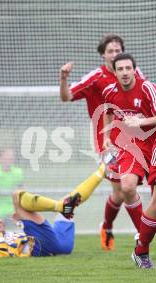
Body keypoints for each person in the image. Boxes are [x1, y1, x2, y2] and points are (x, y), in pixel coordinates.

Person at [59, 33, 144, 252]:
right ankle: (141, 234)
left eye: (118, 50)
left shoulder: (134, 72)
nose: (115, 54)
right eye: (110, 51)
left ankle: (107, 226)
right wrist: (64, 78)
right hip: (107, 142)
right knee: (122, 188)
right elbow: (67, 96)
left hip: (135, 139)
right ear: (103, 55)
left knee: (121, 191)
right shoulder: (96, 77)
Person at [101, 53, 156, 262]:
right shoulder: (110, 92)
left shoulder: (147, 89)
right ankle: (142, 235)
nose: (125, 72)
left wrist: (142, 122)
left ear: (134, 70)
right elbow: (108, 112)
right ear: (115, 72)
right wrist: (107, 137)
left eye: (128, 68)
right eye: (120, 69)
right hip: (131, 147)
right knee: (127, 187)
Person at [0, 157, 110, 257]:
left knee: (70, 202)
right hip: (42, 246)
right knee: (17, 195)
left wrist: (21, 223)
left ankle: (103, 169)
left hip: (61, 246)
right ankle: (59, 206)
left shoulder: (4, 236)